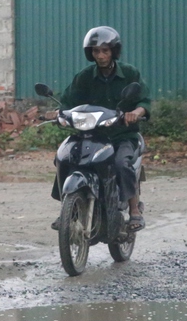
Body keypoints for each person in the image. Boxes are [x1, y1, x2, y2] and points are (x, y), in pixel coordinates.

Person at [51, 26, 151, 233]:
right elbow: (67, 101)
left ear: (114, 51)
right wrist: (58, 114)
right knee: (64, 157)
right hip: (91, 134)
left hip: (121, 135)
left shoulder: (130, 73)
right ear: (91, 53)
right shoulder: (85, 76)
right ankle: (67, 208)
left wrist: (136, 113)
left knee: (121, 163)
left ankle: (134, 211)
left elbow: (144, 101)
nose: (101, 55)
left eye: (105, 51)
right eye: (96, 51)